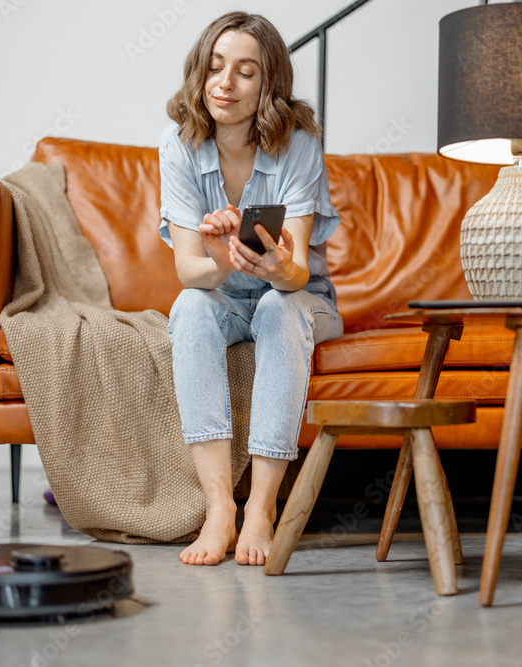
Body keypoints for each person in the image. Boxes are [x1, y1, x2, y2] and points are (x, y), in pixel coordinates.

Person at [159, 11, 344, 566]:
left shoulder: (299, 141)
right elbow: (191, 272)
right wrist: (218, 260)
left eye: (245, 72)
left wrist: (278, 264)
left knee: (279, 310)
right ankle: (220, 510)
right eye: (215, 68)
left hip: (299, 298)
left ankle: (261, 509)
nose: (225, 84)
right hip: (223, 299)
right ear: (200, 72)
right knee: (191, 306)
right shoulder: (179, 144)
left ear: (268, 85)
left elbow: (297, 276)